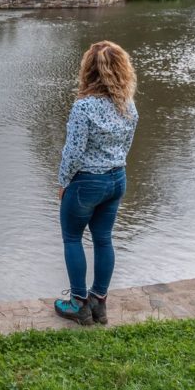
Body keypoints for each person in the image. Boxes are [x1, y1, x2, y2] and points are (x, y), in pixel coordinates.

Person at [53, 41, 138, 326]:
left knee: (72, 238)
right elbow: (126, 144)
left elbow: (73, 152)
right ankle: (98, 303)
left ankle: (78, 303)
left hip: (86, 183)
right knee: (103, 239)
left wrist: (64, 181)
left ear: (89, 70)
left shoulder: (84, 107)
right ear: (121, 70)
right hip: (116, 179)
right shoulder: (128, 105)